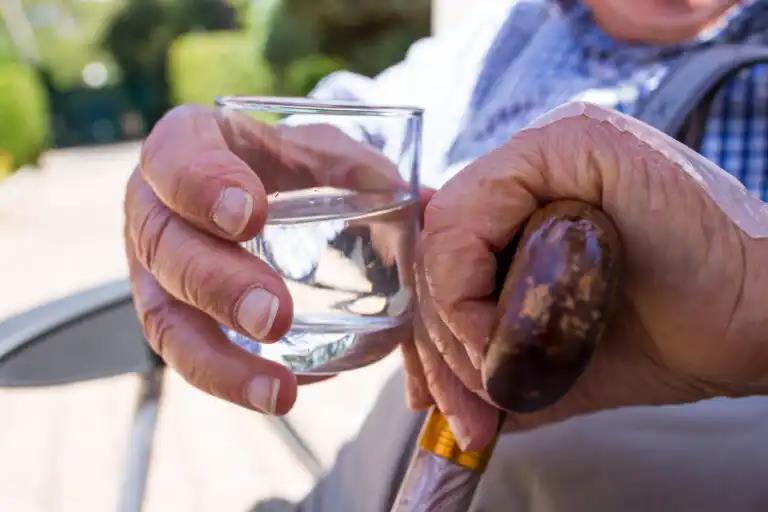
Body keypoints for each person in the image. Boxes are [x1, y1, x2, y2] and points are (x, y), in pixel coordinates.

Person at [124, 0, 768, 510]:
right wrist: (222, 170)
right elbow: (357, 132)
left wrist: (753, 301)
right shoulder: (507, 34)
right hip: (380, 472)